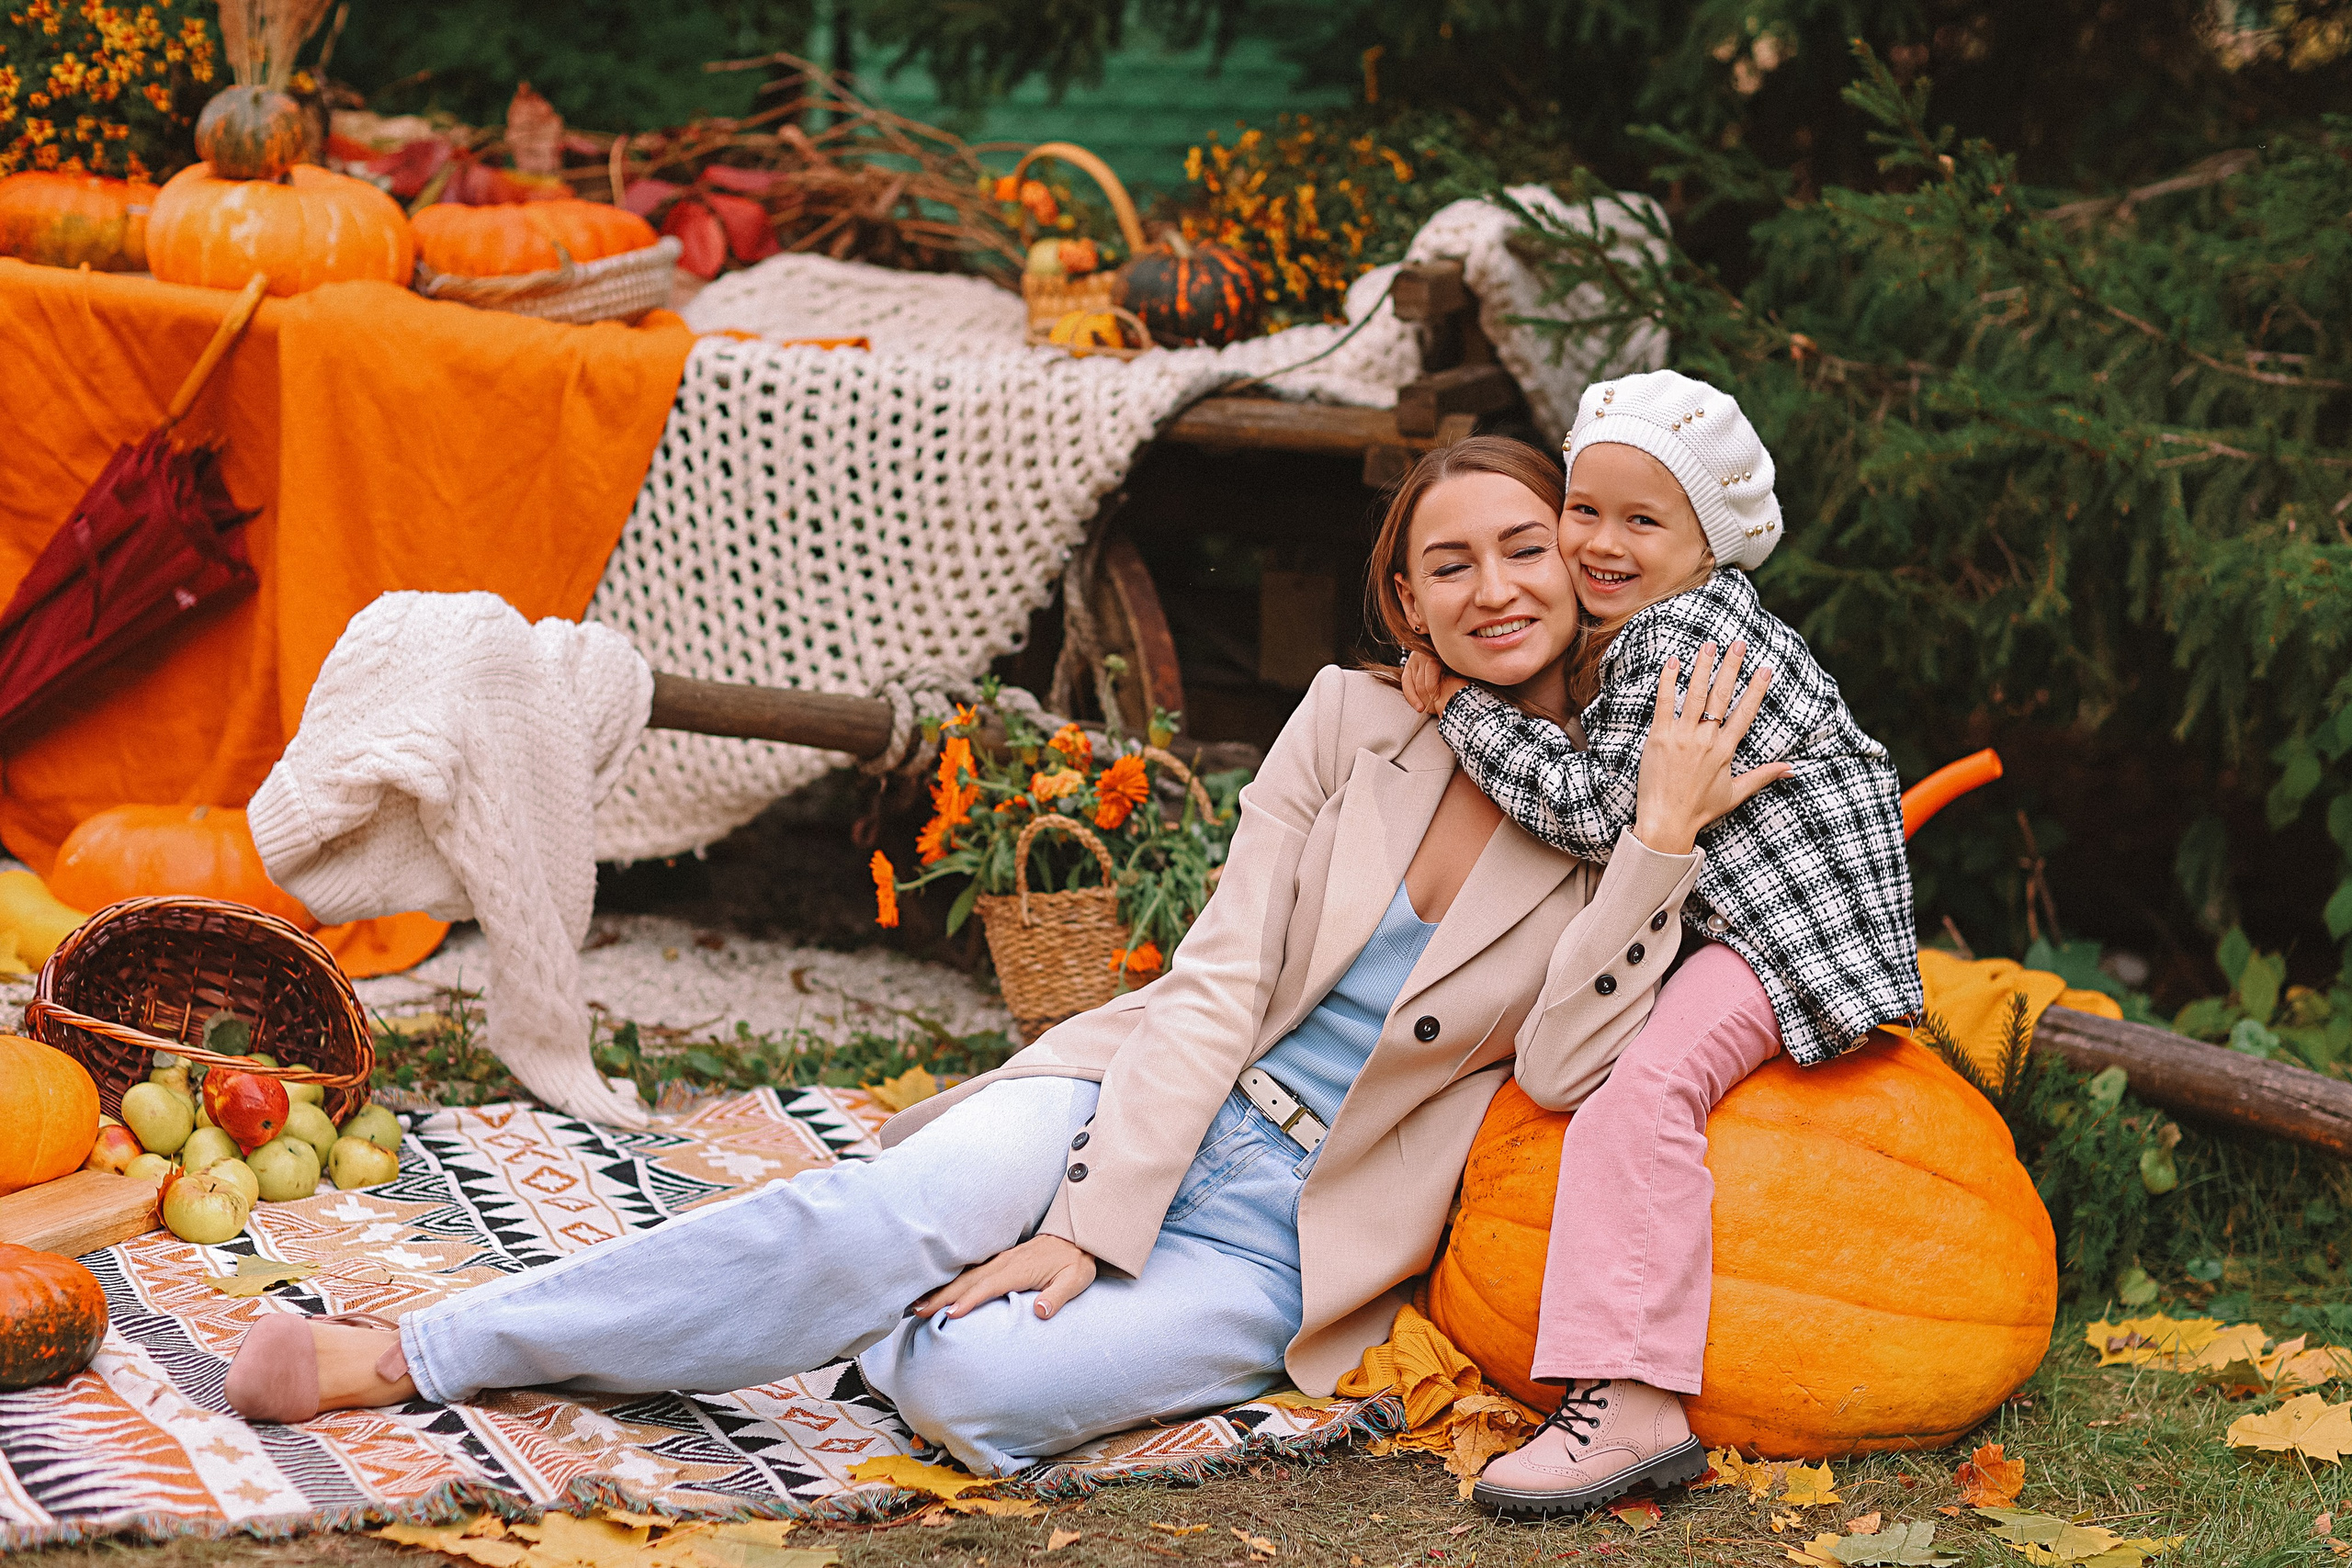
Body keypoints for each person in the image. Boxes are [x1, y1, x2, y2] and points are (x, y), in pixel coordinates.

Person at [221, 436, 1784, 1479]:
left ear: (1577, 579)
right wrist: (1095, 1224)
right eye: (1452, 563)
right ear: (1406, 599)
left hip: (1289, 1243)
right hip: (1134, 1099)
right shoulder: (1344, 723)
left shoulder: (1617, 799)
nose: (1497, 586)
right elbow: (1224, 979)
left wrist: (1654, 842)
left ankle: (830, 1297)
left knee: (972, 1391)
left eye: (1527, 550)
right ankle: (417, 1350)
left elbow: (1577, 1063)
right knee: (896, 1208)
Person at [1398, 371, 1919, 1517]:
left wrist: (1463, 709)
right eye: (1585, 511)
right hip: (1765, 922)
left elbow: (1595, 812)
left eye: (1644, 522)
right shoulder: (1667, 625)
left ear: (1708, 543)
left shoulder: (1679, 636)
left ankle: (1632, 1399)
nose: (1602, 544)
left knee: (1641, 1100)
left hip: (1786, 937)